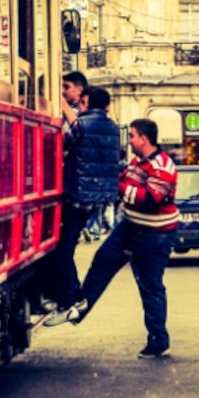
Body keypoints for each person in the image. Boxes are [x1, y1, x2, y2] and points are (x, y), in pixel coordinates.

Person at [44, 118, 178, 359]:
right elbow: (129, 184)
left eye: (133, 136)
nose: (130, 141)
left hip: (155, 234)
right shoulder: (138, 162)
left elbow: (149, 199)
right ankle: (77, 308)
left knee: (150, 286)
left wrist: (118, 185)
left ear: (144, 139)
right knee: (101, 262)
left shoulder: (163, 167)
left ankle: (158, 339)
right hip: (130, 226)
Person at [47, 86, 120, 311]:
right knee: (68, 244)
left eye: (81, 101)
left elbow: (61, 145)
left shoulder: (83, 125)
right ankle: (70, 292)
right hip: (98, 196)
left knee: (64, 249)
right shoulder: (113, 128)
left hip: (78, 195)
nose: (78, 104)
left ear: (87, 102)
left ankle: (71, 295)